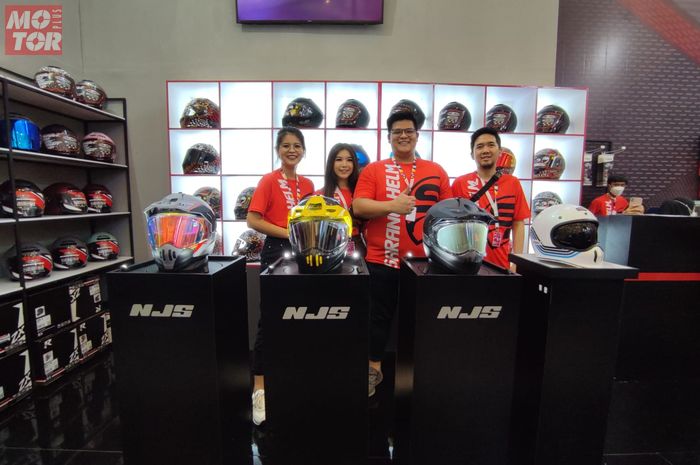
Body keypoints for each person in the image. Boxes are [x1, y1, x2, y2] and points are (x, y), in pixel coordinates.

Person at [353, 111, 452, 397]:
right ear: (389, 137)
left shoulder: (436, 170)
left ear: (417, 135)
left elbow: (447, 213)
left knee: (424, 322)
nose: (403, 136)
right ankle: (373, 370)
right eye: (397, 131)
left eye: (409, 130)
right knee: (376, 321)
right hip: (380, 260)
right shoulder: (374, 170)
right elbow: (358, 207)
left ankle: (424, 374)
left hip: (424, 263)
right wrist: (391, 206)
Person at [246, 127, 315, 425]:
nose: (292, 150)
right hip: (276, 250)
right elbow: (252, 219)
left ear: (303, 150)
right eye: (286, 145)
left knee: (298, 316)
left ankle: (292, 378)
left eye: (297, 145)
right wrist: (288, 233)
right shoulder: (269, 180)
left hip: (305, 251)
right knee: (270, 319)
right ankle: (259, 389)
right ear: (278, 150)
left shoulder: (308, 183)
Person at [451, 127, 530, 271]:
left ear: (499, 151)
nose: (486, 150)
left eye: (491, 145)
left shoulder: (513, 183)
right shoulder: (460, 183)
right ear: (472, 154)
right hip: (466, 265)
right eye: (480, 146)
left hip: (502, 264)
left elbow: (518, 223)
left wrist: (517, 262)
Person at [316, 143, 366, 256]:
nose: (344, 165)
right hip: (328, 248)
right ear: (331, 163)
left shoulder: (361, 193)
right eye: (338, 159)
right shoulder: (319, 195)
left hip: (357, 245)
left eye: (349, 160)